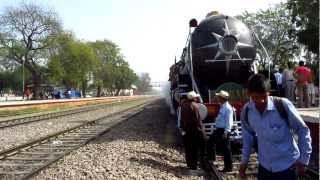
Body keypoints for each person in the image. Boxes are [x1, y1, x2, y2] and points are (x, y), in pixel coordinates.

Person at [239, 74, 312, 180]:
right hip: (265, 168)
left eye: (263, 96)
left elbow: (302, 129)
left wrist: (303, 161)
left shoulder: (282, 105)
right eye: (255, 97)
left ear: (268, 93)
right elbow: (247, 139)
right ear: (249, 94)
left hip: (287, 168)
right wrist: (243, 165)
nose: (261, 101)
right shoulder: (247, 112)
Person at [207, 90, 233, 172]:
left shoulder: (228, 108)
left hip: (223, 131)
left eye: (219, 97)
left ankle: (228, 167)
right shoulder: (222, 106)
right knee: (210, 142)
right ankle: (212, 159)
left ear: (222, 98)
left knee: (226, 149)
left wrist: (226, 132)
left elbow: (229, 121)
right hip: (219, 130)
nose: (217, 98)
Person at [180, 91, 206, 173]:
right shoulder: (195, 106)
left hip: (187, 130)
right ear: (194, 98)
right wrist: (202, 131)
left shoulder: (184, 106)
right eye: (196, 97)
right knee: (197, 148)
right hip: (195, 130)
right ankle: (195, 167)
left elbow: (182, 119)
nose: (197, 98)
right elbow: (198, 121)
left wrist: (183, 128)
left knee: (189, 148)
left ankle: (190, 164)